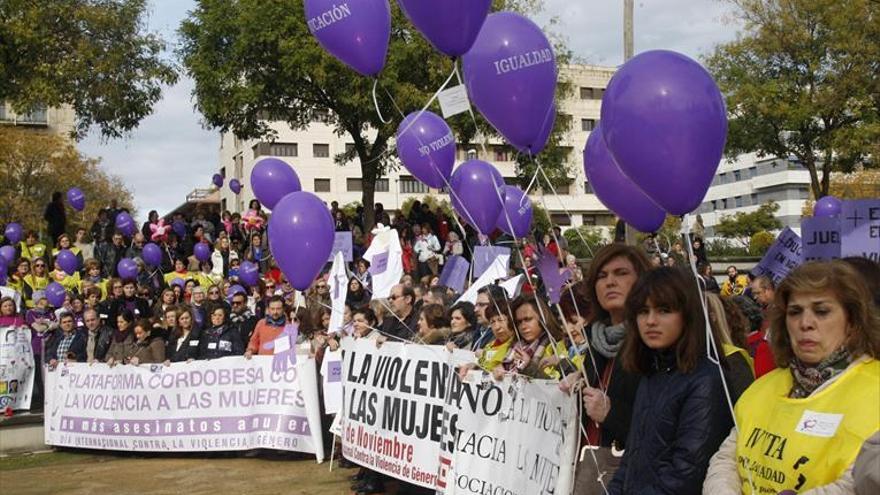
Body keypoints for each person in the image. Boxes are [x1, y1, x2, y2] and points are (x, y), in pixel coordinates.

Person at [703, 261, 880, 495]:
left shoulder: (874, 388)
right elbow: (726, 460)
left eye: (821, 311)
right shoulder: (763, 387)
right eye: (795, 312)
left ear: (853, 322)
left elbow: (859, 481)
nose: (805, 323)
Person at [607, 268, 733, 494]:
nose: (651, 321)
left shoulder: (707, 379)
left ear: (687, 314)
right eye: (643, 311)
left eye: (664, 310)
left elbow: (686, 473)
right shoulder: (651, 373)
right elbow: (632, 458)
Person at [573, 244, 651, 492]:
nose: (610, 282)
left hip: (631, 479)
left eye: (621, 273)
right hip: (588, 474)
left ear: (642, 281)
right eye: (601, 276)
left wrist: (612, 413)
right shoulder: (596, 341)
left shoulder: (653, 343)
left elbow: (663, 428)